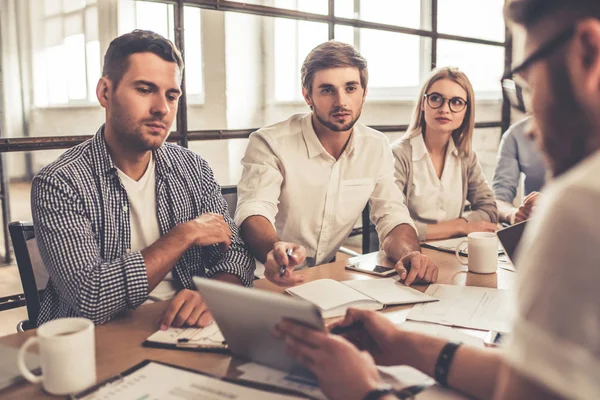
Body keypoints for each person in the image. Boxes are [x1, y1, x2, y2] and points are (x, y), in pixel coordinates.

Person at [275, 0, 600, 399]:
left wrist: (364, 391)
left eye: (529, 84)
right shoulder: (396, 152)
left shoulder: (582, 202)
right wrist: (404, 345)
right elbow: (535, 379)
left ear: (588, 52)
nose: (528, 127)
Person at [31, 30, 255, 327]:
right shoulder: (60, 182)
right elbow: (92, 298)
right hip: (97, 340)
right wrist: (183, 235)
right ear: (105, 93)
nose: (162, 108)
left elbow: (236, 255)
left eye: (171, 95)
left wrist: (213, 294)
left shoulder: (194, 169)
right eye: (145, 89)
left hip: (181, 327)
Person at [235, 40, 437, 287]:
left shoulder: (376, 146)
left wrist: (409, 254)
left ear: (364, 92)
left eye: (350, 88)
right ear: (307, 95)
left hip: (325, 278)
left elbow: (391, 214)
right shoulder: (269, 142)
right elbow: (254, 209)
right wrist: (274, 250)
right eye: (327, 90)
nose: (341, 101)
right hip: (257, 276)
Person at [391, 67, 498, 241]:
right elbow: (396, 226)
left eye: (456, 102)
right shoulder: (398, 155)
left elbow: (489, 208)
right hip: (408, 254)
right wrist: (461, 226)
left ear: (466, 111)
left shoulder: (466, 157)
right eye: (435, 99)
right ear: (423, 104)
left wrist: (459, 226)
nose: (444, 109)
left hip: (453, 252)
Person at [493, 116, 546, 224]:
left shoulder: (589, 129)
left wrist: (549, 202)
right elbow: (498, 199)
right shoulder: (515, 134)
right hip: (534, 228)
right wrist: (513, 214)